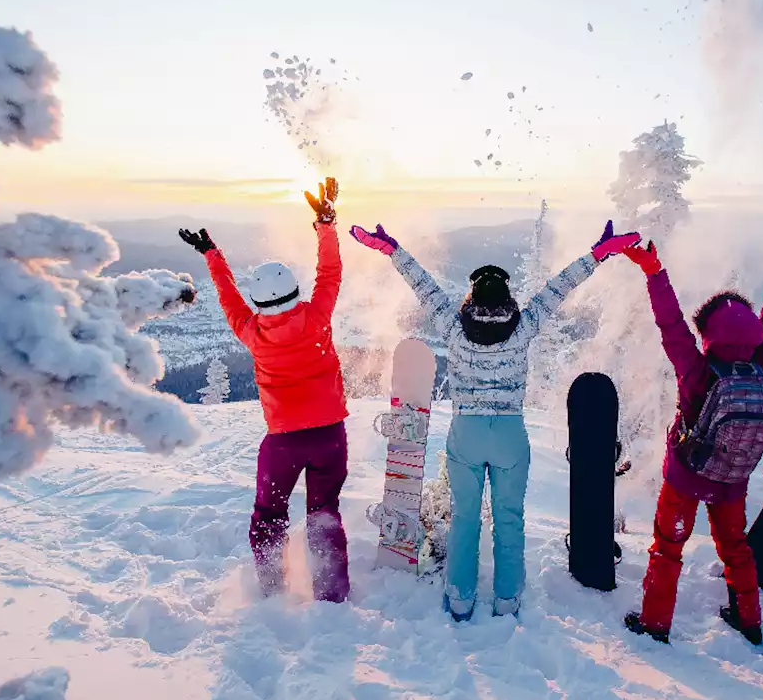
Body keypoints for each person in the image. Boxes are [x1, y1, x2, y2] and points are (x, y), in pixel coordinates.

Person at [350, 220, 640, 621]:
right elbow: (558, 289)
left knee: (465, 516)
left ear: (471, 297)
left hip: (467, 432)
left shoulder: (454, 327)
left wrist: (392, 250)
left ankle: (460, 598)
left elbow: (424, 286)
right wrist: (597, 254)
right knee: (509, 518)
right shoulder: (522, 329)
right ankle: (507, 599)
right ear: (507, 299)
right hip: (508, 433)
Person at [620, 236, 763, 645]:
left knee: (668, 546)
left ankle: (655, 623)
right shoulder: (759, 364)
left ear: (707, 333)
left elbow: (670, 323)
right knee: (736, 548)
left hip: (686, 477)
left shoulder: (696, 370)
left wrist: (654, 273)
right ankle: (749, 620)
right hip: (732, 478)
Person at [179, 179, 350, 602]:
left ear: (260, 303)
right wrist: (325, 223)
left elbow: (228, 298)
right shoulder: (317, 317)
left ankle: (273, 589)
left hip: (284, 444)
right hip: (330, 437)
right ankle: (331, 594)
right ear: (294, 292)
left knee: (270, 514)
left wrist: (211, 255)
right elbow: (330, 271)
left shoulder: (252, 332)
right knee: (323, 513)